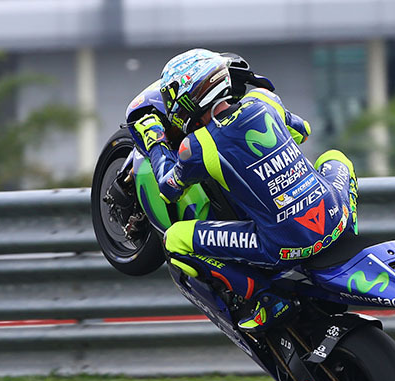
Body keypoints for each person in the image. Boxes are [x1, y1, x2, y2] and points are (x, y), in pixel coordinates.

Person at [133, 48, 358, 333]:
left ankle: (267, 297)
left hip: (281, 244)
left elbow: (168, 188)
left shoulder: (198, 146)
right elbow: (303, 131)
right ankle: (352, 237)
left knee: (175, 240)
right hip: (334, 215)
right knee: (335, 157)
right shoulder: (263, 100)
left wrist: (156, 140)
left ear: (187, 97)